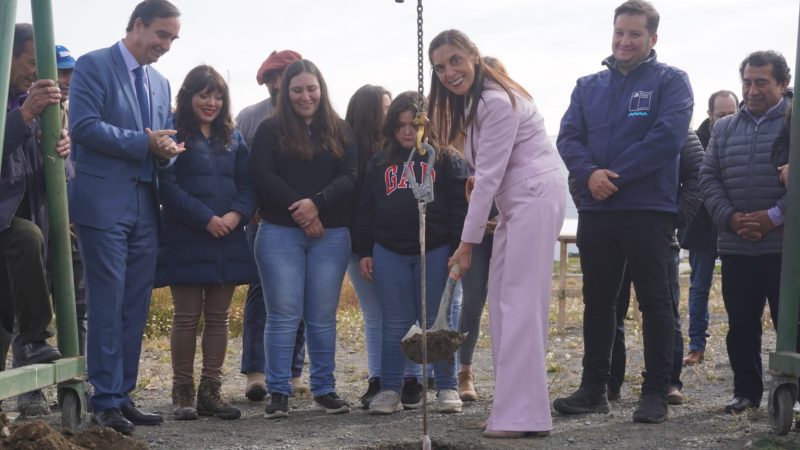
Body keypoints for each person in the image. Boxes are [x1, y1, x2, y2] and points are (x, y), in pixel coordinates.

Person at [554, 0, 693, 424]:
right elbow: (568, 137)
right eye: (619, 32)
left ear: (653, 38)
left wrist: (612, 176)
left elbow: (666, 138)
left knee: (655, 302)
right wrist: (588, 174)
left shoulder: (672, 81)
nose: (625, 41)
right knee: (598, 302)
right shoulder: (587, 86)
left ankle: (654, 392)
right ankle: (594, 388)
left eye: (635, 34)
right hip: (597, 212)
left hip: (648, 209)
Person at [429, 30, 567, 437]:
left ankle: (522, 416)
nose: (448, 72)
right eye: (439, 67)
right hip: (518, 202)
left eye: (455, 60)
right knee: (508, 305)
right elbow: (489, 170)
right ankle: (522, 412)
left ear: (474, 55)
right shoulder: (481, 101)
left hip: (533, 198)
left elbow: (491, 174)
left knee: (521, 305)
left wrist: (466, 244)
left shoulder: (496, 100)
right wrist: (478, 182)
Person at [68, 0, 183, 434]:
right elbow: (83, 127)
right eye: (162, 35)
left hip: (145, 205)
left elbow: (160, 142)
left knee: (135, 302)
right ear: (137, 26)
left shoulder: (162, 82)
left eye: (173, 39)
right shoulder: (93, 65)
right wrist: (145, 142)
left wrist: (167, 153)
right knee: (107, 299)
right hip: (103, 202)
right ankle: (105, 398)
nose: (167, 46)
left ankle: (124, 394)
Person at [250, 59, 355, 418]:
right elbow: (263, 176)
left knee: (322, 316)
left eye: (311, 89)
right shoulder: (269, 130)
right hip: (280, 232)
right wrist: (301, 210)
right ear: (285, 91)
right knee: (283, 314)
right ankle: (278, 391)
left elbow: (350, 176)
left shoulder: (340, 130)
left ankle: (325, 389)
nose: (305, 96)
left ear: (321, 89)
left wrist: (318, 205)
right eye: (297, 90)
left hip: (331, 233)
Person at [355, 91, 467, 416]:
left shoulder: (447, 159)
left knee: (438, 321)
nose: (407, 132)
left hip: (436, 250)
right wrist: (365, 250)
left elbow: (462, 207)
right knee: (395, 323)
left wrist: (459, 247)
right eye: (401, 125)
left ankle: (446, 388)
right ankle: (390, 389)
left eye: (413, 125)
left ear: (426, 125)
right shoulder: (379, 163)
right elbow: (365, 209)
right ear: (392, 127)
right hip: (388, 251)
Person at [155, 65, 255, 421]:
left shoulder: (233, 137)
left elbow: (248, 184)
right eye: (203, 94)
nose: (211, 102)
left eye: (217, 96)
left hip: (227, 237)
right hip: (186, 236)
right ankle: (182, 389)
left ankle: (210, 390)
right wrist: (205, 219)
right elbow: (167, 186)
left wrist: (234, 215)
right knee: (185, 318)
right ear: (189, 96)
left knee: (219, 317)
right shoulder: (174, 134)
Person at [700, 50, 790, 414]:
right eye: (747, 82)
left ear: (782, 84)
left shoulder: (792, 123)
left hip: (785, 248)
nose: (752, 90)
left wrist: (774, 217)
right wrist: (731, 218)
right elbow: (708, 178)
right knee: (740, 325)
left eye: (761, 83)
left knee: (790, 326)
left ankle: (790, 393)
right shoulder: (723, 129)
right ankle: (746, 392)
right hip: (737, 246)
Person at [605, 129, 703, 405]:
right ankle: (608, 382)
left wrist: (676, 217)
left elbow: (697, 175)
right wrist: (593, 211)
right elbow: (580, 174)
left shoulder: (679, 128)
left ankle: (668, 381)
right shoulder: (610, 122)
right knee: (610, 308)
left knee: (663, 309)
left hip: (659, 236)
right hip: (610, 234)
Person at [235, 49, 309, 401]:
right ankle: (255, 371)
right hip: (261, 219)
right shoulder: (250, 117)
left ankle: (294, 372)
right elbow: (241, 168)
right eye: (270, 78)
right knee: (261, 291)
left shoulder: (315, 117)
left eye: (282, 76)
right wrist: (248, 207)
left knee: (302, 294)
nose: (276, 84)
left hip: (305, 219)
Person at [0, 22, 68, 392]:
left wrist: (63, 151)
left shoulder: (43, 107)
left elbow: (61, 172)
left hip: (26, 217)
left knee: (2, 317)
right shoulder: (19, 106)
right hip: (10, 223)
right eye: (29, 62)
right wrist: (24, 116)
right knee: (27, 236)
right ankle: (37, 338)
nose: (35, 73)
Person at [454, 55, 505, 403]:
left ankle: (509, 374)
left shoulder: (509, 116)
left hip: (510, 220)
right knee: (472, 300)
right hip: (471, 225)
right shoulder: (460, 127)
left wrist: (504, 215)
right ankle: (464, 370)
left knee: (508, 301)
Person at [679, 90, 739, 366]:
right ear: (710, 115)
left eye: (731, 113)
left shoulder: (744, 137)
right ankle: (696, 346)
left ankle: (740, 347)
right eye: (721, 114)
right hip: (703, 224)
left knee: (741, 288)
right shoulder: (695, 141)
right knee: (699, 287)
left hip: (735, 223)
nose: (727, 118)